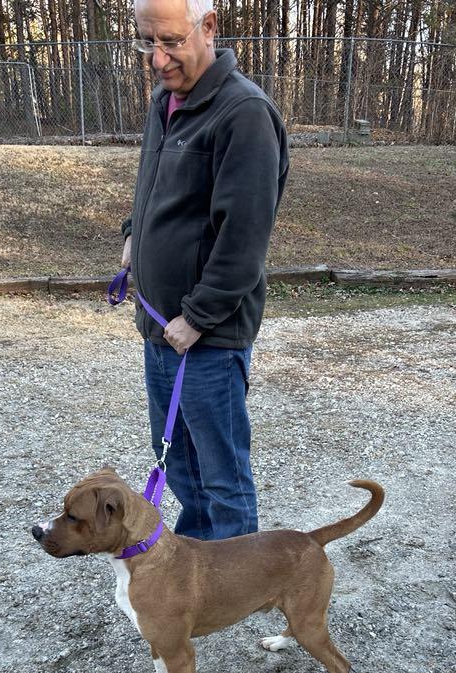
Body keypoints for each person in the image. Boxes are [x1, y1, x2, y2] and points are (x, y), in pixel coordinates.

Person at [121, 0, 289, 540]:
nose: (157, 59)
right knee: (179, 467)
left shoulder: (244, 114)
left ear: (208, 27)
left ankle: (238, 588)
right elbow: (153, 186)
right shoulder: (166, 99)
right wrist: (132, 236)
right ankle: (198, 571)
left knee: (222, 478)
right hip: (160, 327)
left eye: (169, 41)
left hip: (206, 338)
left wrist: (197, 317)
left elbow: (244, 237)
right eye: (147, 42)